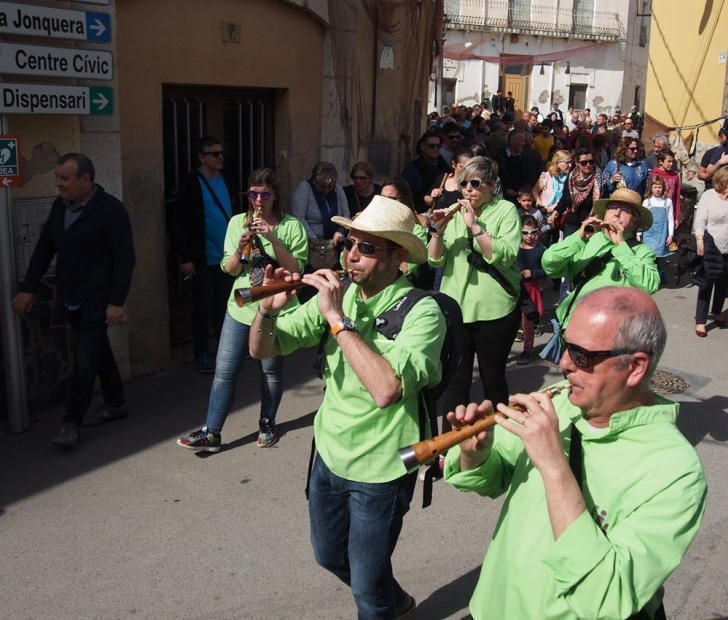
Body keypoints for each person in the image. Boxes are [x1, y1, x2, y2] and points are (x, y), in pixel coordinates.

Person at [443, 287, 707, 620]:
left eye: (582, 356)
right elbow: (491, 480)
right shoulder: (559, 401)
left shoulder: (676, 472)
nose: (564, 363)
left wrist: (554, 465)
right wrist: (475, 453)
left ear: (636, 366)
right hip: (493, 607)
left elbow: (607, 596)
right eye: (567, 346)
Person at [248, 195, 445, 619]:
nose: (351, 256)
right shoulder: (345, 294)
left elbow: (386, 389)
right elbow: (263, 348)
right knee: (329, 556)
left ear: (399, 257)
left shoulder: (422, 312)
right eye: (349, 244)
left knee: (366, 592)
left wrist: (337, 319)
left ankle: (384, 601)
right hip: (329, 455)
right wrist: (266, 310)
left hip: (382, 467)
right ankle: (396, 599)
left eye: (367, 248)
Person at [177, 168, 308, 452]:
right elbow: (229, 268)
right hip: (241, 307)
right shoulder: (237, 222)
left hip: (275, 309)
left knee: (270, 371)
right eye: (253, 194)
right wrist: (240, 249)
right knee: (224, 371)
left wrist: (273, 239)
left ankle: (267, 422)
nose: (258, 200)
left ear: (275, 196)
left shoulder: (292, 226)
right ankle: (212, 432)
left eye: (265, 194)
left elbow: (296, 268)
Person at [13, 153, 136, 449]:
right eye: (57, 177)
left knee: (84, 359)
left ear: (86, 179)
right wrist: (29, 287)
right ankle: (116, 402)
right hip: (70, 297)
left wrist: (117, 302)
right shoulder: (61, 207)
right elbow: (44, 248)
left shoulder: (111, 210)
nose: (59, 184)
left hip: (98, 298)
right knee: (98, 351)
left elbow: (125, 259)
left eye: (65, 178)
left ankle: (71, 423)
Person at [427, 156, 521, 426]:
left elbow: (504, 256)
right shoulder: (452, 211)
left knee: (492, 378)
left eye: (475, 184)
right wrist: (438, 230)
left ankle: (500, 436)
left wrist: (474, 227)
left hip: (494, 309)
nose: (468, 190)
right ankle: (449, 445)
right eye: (463, 183)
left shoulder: (505, 211)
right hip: (456, 308)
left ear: (491, 186)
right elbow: (435, 260)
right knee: (455, 381)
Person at [543, 187, 659, 326]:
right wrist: (578, 238)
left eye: (625, 210)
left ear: (635, 222)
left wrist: (621, 246)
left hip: (610, 334)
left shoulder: (642, 251)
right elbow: (549, 264)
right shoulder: (588, 239)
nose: (617, 213)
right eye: (613, 207)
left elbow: (649, 285)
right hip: (572, 325)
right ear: (604, 214)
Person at [174, 136, 236, 373]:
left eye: (221, 153)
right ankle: (201, 353)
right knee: (201, 307)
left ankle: (225, 349)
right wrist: (186, 258)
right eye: (215, 154)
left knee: (225, 304)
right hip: (202, 257)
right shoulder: (191, 183)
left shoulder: (227, 179)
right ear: (202, 158)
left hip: (227, 257)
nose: (220, 158)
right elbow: (180, 222)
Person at [692, 165, 728, 337]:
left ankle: (717, 311)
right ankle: (700, 320)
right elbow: (700, 220)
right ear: (724, 180)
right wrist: (700, 241)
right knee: (706, 285)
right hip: (711, 248)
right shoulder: (709, 196)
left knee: (723, 285)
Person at [292, 161, 348, 271]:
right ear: (314, 181)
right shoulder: (305, 188)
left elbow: (346, 215)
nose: (326, 190)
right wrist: (314, 239)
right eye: (322, 187)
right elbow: (299, 217)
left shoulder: (338, 189)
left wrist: (341, 230)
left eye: (330, 187)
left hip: (335, 246)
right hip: (313, 247)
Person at [549, 150, 602, 237]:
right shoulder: (571, 177)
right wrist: (556, 212)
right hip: (571, 225)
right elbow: (564, 199)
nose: (588, 165)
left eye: (591, 162)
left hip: (591, 225)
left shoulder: (600, 180)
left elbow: (602, 204)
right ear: (577, 163)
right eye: (584, 162)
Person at [516, 215, 546, 365]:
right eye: (525, 232)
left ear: (538, 231)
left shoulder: (541, 250)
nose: (529, 236)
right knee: (513, 321)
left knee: (528, 323)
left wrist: (532, 273)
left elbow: (548, 270)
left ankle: (527, 350)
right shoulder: (513, 246)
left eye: (533, 232)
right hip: (514, 289)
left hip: (531, 291)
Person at [403, 130, 453, 212]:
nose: (435, 149)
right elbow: (407, 193)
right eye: (432, 146)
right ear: (423, 147)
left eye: (438, 146)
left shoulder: (444, 165)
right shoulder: (413, 169)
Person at [642, 176, 676, 285]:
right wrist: (639, 233)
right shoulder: (647, 202)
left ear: (663, 188)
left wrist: (670, 235)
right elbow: (643, 219)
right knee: (649, 256)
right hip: (649, 233)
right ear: (651, 188)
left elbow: (670, 219)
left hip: (662, 233)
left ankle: (660, 275)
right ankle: (650, 277)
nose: (657, 189)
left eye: (659, 187)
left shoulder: (668, 202)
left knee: (660, 257)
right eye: (655, 187)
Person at [650, 150, 682, 227]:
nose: (671, 164)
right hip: (655, 212)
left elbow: (677, 197)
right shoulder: (653, 175)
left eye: (672, 161)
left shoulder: (675, 177)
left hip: (669, 213)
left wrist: (677, 216)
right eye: (669, 161)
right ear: (661, 162)